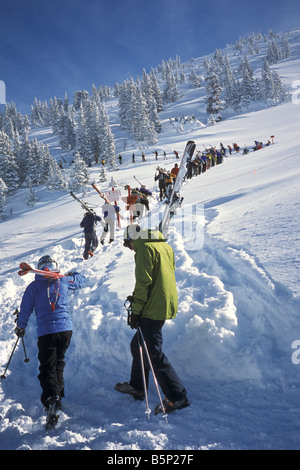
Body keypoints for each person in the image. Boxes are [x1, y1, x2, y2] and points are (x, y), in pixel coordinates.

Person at [115, 225, 189, 414]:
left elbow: (144, 282)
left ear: (132, 239)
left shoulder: (144, 249)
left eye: (128, 244)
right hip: (164, 302)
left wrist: (137, 311)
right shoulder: (164, 246)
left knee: (152, 353)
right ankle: (138, 386)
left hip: (152, 306)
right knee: (138, 346)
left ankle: (177, 396)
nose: (130, 248)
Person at [15, 255, 86, 411]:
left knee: (47, 367)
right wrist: (70, 274)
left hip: (47, 333)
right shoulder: (64, 281)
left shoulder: (33, 287)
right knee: (58, 363)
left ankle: (51, 398)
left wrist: (21, 326)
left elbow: (26, 310)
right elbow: (80, 279)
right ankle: (58, 395)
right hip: (65, 330)